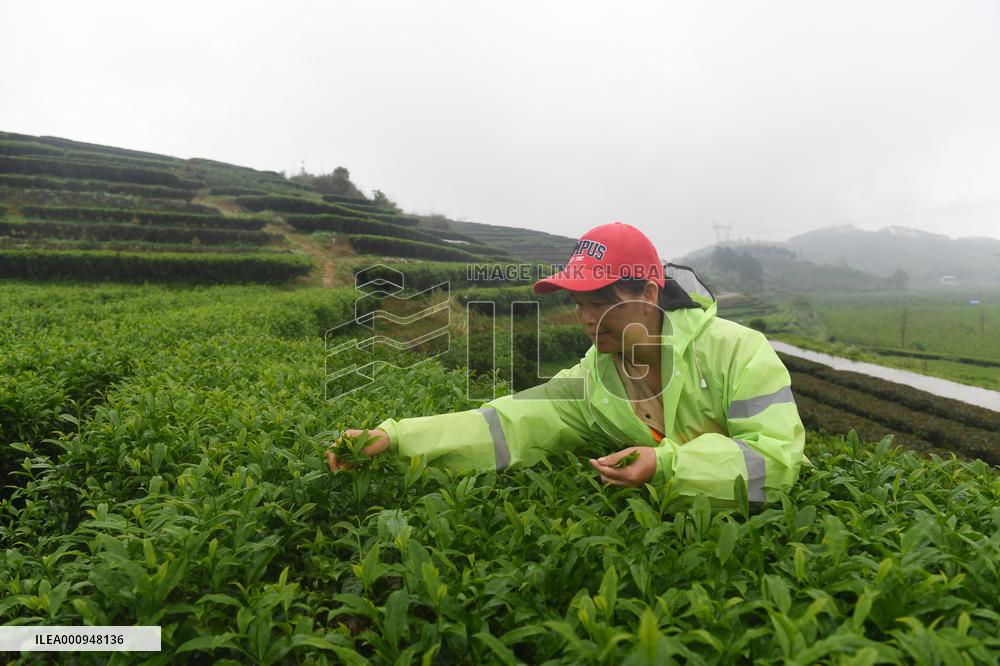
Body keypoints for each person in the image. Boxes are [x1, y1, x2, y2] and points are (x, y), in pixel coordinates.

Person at [328, 221, 810, 510]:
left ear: (648, 295)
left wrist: (666, 467)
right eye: (578, 302)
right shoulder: (595, 379)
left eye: (600, 301)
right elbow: (508, 423)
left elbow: (775, 460)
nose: (583, 317)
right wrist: (395, 438)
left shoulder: (737, 352)